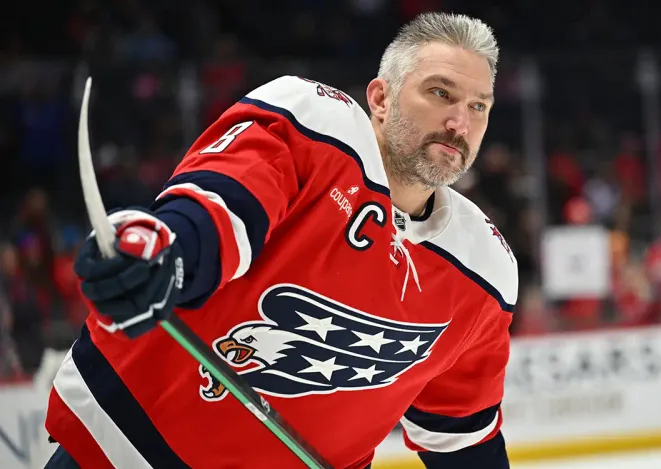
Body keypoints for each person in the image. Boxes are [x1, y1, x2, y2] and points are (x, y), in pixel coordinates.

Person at [44, 11, 518, 469]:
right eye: (440, 93)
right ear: (381, 98)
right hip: (123, 450)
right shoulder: (317, 128)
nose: (460, 123)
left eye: (478, 106)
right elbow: (221, 210)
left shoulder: (485, 271)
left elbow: (463, 441)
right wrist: (168, 253)